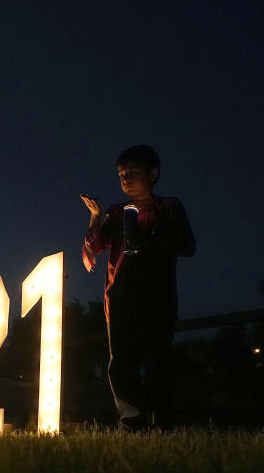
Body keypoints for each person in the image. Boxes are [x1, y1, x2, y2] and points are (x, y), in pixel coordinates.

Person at [80, 145, 195, 430]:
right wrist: (95, 218)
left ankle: (164, 421)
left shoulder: (168, 207)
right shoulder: (116, 212)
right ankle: (132, 420)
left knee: (157, 361)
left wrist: (148, 241)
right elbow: (96, 246)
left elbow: (187, 246)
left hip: (157, 297)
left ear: (153, 174)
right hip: (119, 298)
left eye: (133, 172)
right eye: (121, 174)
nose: (126, 179)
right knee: (121, 363)